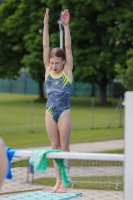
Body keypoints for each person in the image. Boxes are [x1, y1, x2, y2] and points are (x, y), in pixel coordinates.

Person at [43, 8, 73, 193]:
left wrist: (66, 26)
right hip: (49, 110)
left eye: (57, 63)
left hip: (63, 111)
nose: (54, 65)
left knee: (64, 146)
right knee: (54, 147)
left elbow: (68, 48)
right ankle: (57, 181)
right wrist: (45, 24)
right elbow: (45, 47)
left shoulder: (67, 71)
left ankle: (65, 182)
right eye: (52, 62)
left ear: (63, 62)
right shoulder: (47, 68)